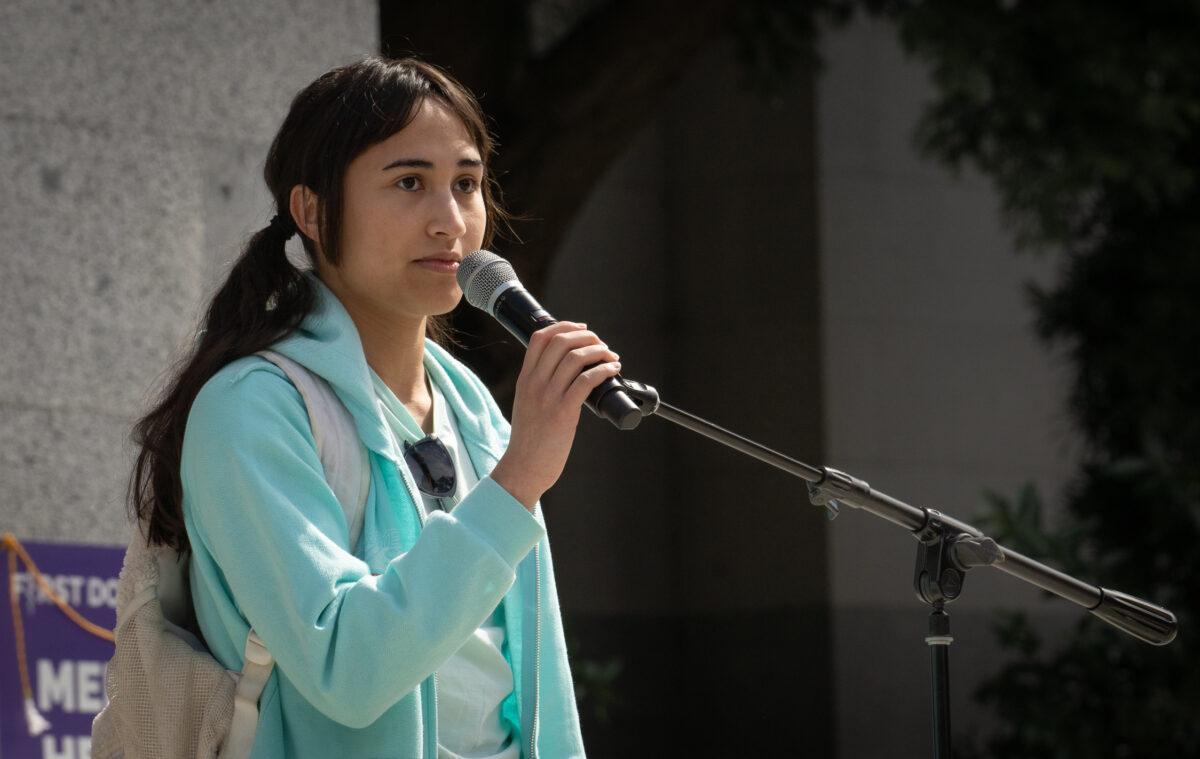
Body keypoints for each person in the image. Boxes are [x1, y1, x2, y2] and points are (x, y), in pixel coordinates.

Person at [128, 56, 617, 758]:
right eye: (410, 182)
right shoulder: (251, 408)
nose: (450, 221)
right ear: (312, 210)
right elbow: (346, 670)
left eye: (468, 184)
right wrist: (515, 484)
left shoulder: (469, 404)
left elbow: (538, 678)